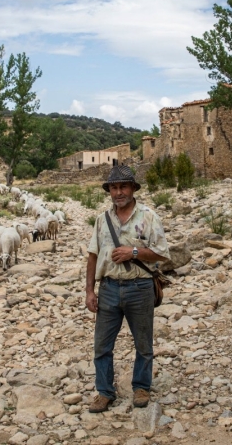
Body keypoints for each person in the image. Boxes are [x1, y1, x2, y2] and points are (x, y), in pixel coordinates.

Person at [85, 165, 170, 413]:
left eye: (123, 187)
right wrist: (90, 292)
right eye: (114, 188)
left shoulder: (149, 217)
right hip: (109, 288)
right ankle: (104, 392)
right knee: (102, 345)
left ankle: (141, 387)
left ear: (133, 188)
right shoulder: (102, 220)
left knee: (143, 343)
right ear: (109, 191)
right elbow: (92, 256)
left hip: (140, 287)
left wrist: (133, 252)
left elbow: (163, 254)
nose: (118, 192)